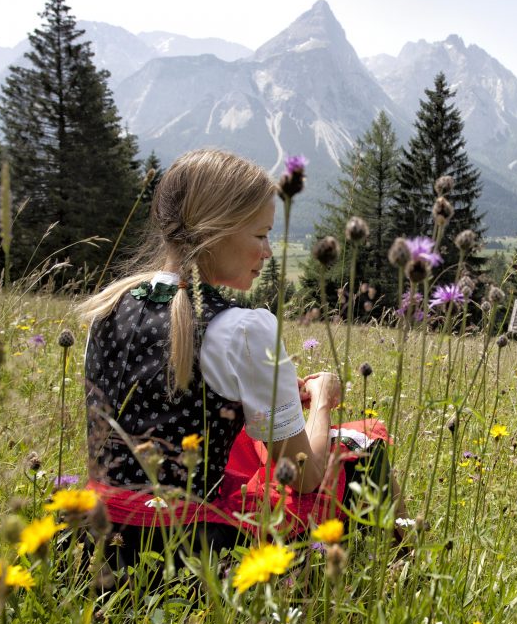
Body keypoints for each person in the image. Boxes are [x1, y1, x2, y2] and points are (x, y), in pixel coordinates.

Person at [78, 149, 398, 569]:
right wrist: (321, 401)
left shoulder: (106, 309)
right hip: (191, 553)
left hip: (97, 542)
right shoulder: (243, 330)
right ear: (218, 231)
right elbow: (304, 477)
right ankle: (390, 572)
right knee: (364, 443)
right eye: (260, 234)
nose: (267, 252)